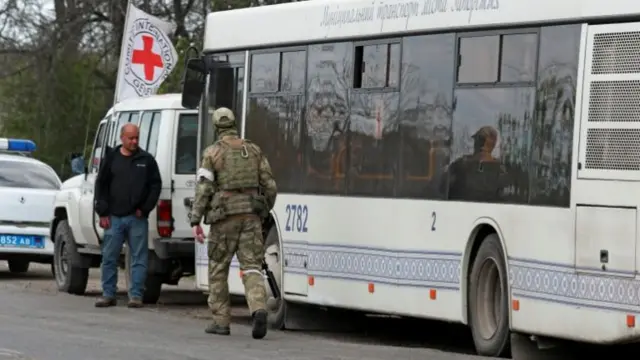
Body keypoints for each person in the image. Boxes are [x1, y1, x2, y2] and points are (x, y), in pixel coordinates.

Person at [190, 107, 277, 339]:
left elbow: (204, 189)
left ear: (217, 127)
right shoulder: (254, 150)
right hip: (251, 218)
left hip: (224, 220)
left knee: (218, 269)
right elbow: (270, 185)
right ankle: (258, 309)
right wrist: (264, 209)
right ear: (234, 124)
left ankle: (221, 322)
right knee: (252, 268)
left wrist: (195, 219)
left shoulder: (212, 153)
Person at [93, 123, 162, 308]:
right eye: (131, 138)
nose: (134, 141)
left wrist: (145, 208)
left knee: (139, 258)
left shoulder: (146, 160)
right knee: (109, 257)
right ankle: (108, 294)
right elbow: (101, 186)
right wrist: (102, 211)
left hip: (137, 218)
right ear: (122, 138)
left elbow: (155, 186)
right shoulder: (111, 158)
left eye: (137, 138)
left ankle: (136, 295)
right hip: (113, 217)